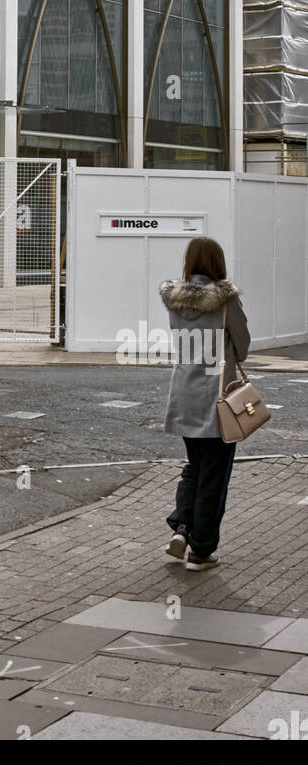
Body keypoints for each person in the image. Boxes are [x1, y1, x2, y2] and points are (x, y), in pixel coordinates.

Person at [159, 236, 250, 571]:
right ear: (217, 262)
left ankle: (182, 528)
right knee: (215, 475)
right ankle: (201, 550)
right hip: (218, 401)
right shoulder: (226, 300)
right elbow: (243, 345)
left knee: (195, 467)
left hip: (184, 395)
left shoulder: (174, 300)